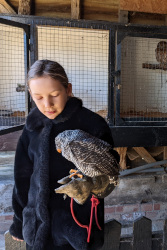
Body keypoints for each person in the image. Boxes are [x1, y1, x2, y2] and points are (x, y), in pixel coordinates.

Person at [9, 60, 118, 249]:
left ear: (68, 89)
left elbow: (110, 175)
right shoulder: (32, 127)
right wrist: (19, 223)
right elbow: (22, 178)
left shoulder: (92, 124)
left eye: (54, 95)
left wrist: (91, 185)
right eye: (38, 97)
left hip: (78, 228)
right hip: (37, 229)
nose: (47, 104)